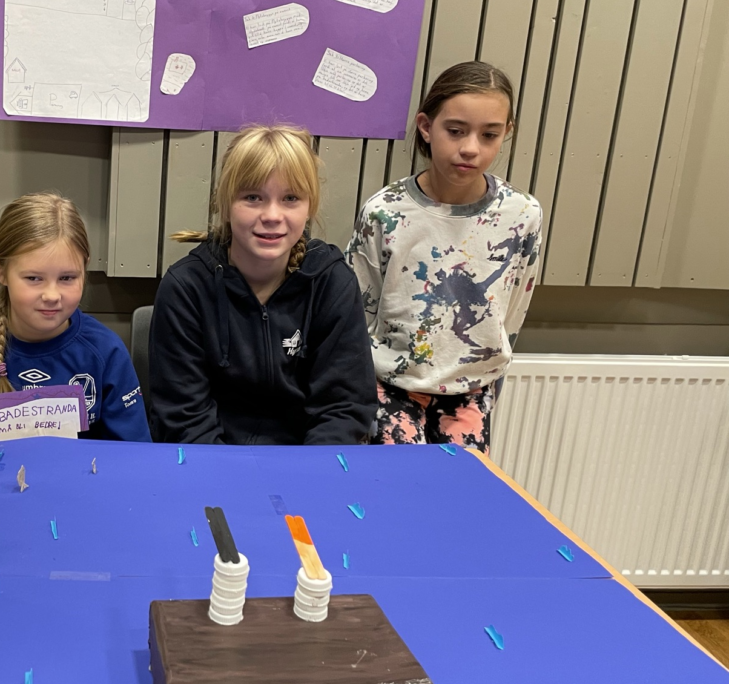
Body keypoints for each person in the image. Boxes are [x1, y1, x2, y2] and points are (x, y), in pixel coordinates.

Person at [346, 61, 542, 451]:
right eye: (455, 131)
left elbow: (513, 310)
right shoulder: (385, 212)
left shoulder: (522, 215)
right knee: (401, 484)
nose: (470, 148)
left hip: (471, 391)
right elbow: (358, 310)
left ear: (507, 133)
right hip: (390, 386)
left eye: (489, 135)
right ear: (426, 126)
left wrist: (488, 380)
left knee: (460, 485)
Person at [148, 125, 376, 445]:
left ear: (309, 206)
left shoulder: (331, 282)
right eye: (253, 197)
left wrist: (307, 470)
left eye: (290, 198)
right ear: (226, 204)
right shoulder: (186, 288)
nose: (272, 215)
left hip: (306, 460)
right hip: (213, 461)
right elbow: (184, 417)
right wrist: (225, 474)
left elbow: (343, 408)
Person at [0, 191, 151, 442]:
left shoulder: (106, 351)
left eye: (67, 278)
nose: (52, 295)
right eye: (34, 278)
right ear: (0, 271)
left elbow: (134, 452)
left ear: (84, 269)